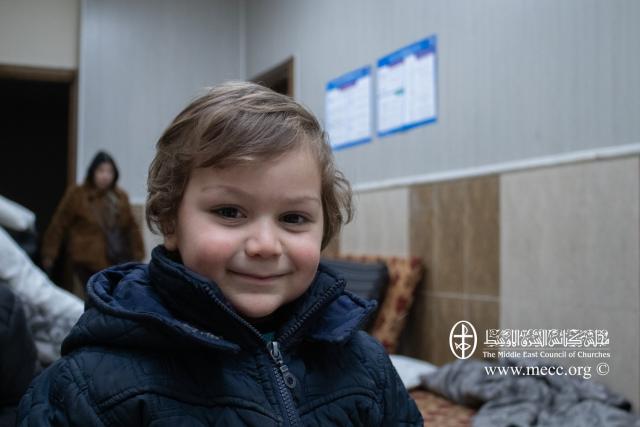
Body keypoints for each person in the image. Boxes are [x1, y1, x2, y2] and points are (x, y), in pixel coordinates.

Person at [18, 82, 423, 426]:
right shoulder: (89, 385)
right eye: (229, 212)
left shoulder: (365, 365)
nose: (265, 245)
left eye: (294, 218)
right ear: (171, 220)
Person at [40, 151, 145, 295]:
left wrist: (138, 255)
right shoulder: (78, 194)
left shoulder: (120, 197)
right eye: (101, 170)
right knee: (91, 299)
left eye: (109, 171)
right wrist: (49, 254)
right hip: (85, 260)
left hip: (115, 259)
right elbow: (59, 224)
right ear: (93, 172)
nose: (105, 176)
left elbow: (131, 227)